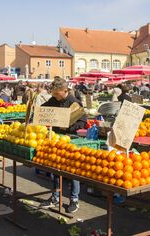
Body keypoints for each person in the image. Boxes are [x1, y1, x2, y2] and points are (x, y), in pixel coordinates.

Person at [39, 77, 87, 213]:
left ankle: (74, 199)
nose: (54, 96)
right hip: (55, 139)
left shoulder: (74, 103)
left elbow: (82, 123)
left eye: (57, 93)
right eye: (53, 93)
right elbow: (43, 110)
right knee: (55, 169)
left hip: (70, 140)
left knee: (72, 170)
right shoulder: (53, 100)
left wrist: (67, 127)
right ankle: (55, 197)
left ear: (65, 91)